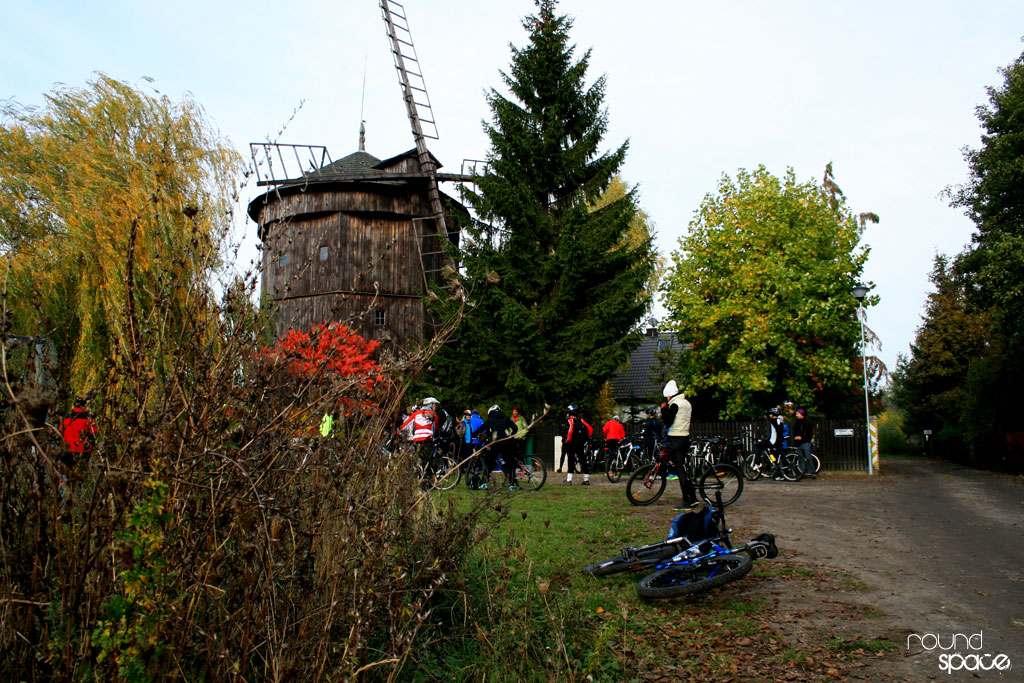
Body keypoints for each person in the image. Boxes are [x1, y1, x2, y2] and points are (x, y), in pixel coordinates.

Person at [660, 380, 698, 512]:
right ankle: (693, 497)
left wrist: (664, 409)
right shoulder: (686, 403)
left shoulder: (675, 405)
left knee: (679, 469)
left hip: (676, 437)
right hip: (685, 437)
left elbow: (668, 421)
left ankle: (687, 500)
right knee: (682, 467)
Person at [472, 404, 519, 489]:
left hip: (496, 444)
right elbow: (515, 428)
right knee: (509, 463)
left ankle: (485, 483)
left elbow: (481, 429)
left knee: (488, 462)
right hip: (507, 443)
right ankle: (512, 485)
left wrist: (473, 434)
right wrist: (511, 435)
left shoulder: (491, 420)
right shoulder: (506, 418)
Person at [559, 404, 590, 485]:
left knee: (571, 461)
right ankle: (586, 479)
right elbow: (590, 429)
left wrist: (567, 440)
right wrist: (585, 439)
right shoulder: (581, 420)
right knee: (583, 460)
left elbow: (569, 431)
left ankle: (569, 480)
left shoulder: (570, 421)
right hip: (580, 443)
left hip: (571, 443)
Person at [755, 408, 786, 479]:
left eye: (770, 414)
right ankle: (778, 475)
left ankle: (758, 463)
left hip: (773, 442)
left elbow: (774, 433)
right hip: (778, 442)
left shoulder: (773, 421)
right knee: (773, 457)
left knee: (756, 445)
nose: (769, 415)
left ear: (772, 415)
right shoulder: (779, 421)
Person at [792, 408, 814, 476]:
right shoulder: (797, 423)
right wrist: (796, 437)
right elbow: (795, 431)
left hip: (806, 442)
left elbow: (809, 433)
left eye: (798, 414)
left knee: (808, 457)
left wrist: (802, 437)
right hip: (799, 443)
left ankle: (812, 472)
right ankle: (802, 472)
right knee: (800, 458)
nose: (796, 415)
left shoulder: (806, 423)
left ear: (802, 415)